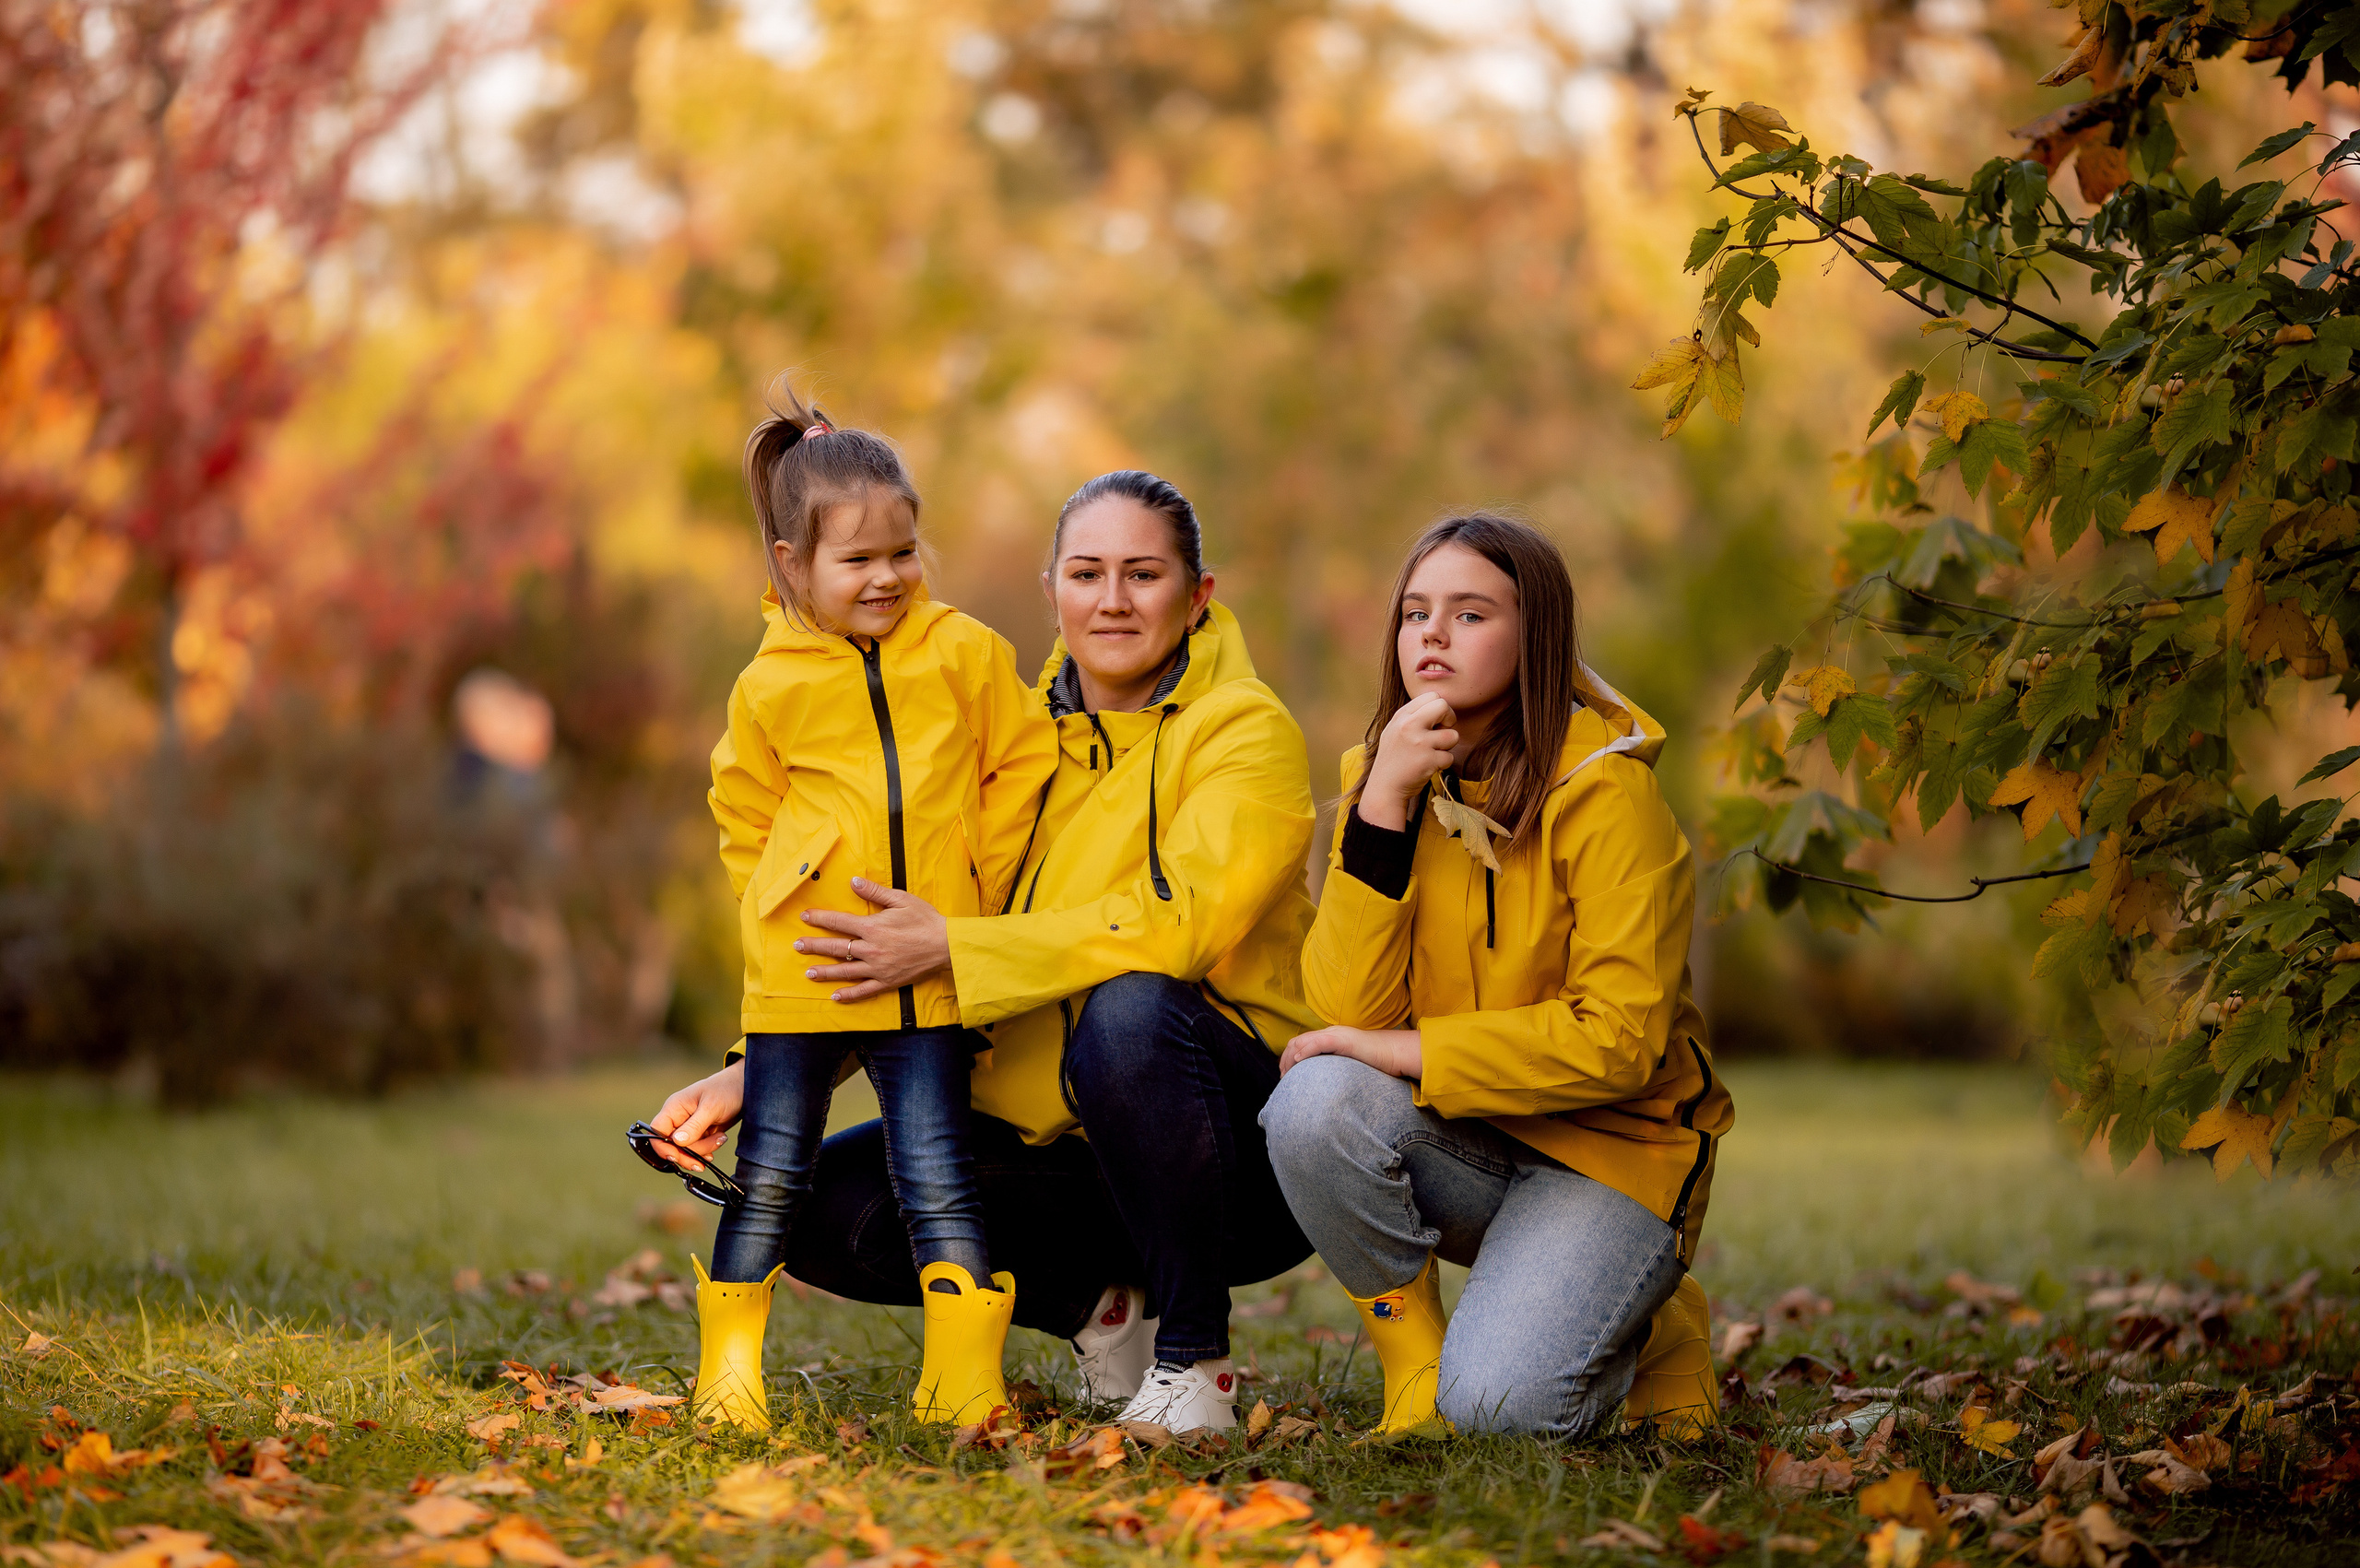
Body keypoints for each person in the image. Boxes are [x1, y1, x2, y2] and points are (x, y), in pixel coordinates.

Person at [650, 470, 1317, 1432]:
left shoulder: (1245, 732)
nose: (1113, 600)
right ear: (1052, 591)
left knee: (1131, 1006)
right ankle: (1102, 1311)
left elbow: (1183, 926)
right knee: (811, 1205)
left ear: (1198, 594)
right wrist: (758, 1073)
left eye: (1143, 574)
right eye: (1086, 573)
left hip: (1232, 1155)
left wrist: (956, 946)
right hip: (1061, 1150)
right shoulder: (1010, 738)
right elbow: (908, 951)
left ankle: (1193, 1361)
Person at [1260, 512, 1732, 1439]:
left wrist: (1405, 1051)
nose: (1431, 634)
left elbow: (1620, 1042)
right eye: (1415, 612)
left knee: (1502, 1411)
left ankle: (1652, 1327)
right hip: (1468, 1136)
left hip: (1612, 1155)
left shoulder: (1609, 795)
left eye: (1470, 614)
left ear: (1535, 638)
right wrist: (1384, 807)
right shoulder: (1383, 781)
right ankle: (1415, 1374)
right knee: (1313, 1104)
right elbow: (1345, 1008)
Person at [670, 383, 1056, 1433]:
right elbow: (741, 809)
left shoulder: (966, 652)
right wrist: (777, 900)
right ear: (791, 564)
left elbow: (1022, 767)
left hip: (929, 974)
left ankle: (960, 1378)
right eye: (858, 559)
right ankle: (729, 1378)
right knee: (770, 1171)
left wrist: (975, 893)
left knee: (936, 1171)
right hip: (802, 978)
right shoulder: (770, 684)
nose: (887, 576)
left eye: (903, 552)